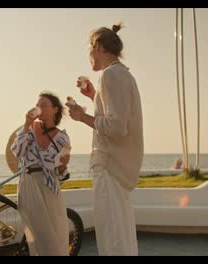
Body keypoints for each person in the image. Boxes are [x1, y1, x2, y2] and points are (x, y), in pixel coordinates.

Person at [66, 23, 144, 256]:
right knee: (119, 231)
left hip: (109, 166)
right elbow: (117, 117)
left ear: (98, 46)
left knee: (111, 235)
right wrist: (94, 96)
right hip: (117, 167)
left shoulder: (110, 75)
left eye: (89, 47)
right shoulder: (121, 74)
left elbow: (117, 128)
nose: (88, 53)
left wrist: (81, 117)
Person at [10, 92, 71, 256]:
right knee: (38, 237)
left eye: (44, 105)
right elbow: (17, 151)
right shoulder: (30, 128)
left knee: (57, 233)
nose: (39, 108)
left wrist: (63, 167)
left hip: (50, 188)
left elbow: (61, 172)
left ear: (55, 109)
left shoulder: (62, 137)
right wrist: (26, 124)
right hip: (29, 184)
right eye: (38, 105)